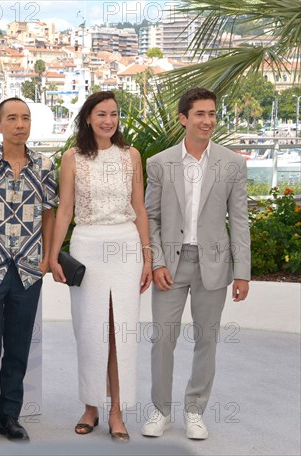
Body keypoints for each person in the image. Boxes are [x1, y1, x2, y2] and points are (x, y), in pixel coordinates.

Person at [142, 87, 251, 440]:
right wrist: (156, 262)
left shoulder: (232, 164)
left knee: (207, 340)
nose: (208, 121)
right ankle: (160, 411)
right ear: (183, 118)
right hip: (170, 266)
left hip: (215, 264)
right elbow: (151, 218)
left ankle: (194, 410)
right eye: (200, 114)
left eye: (212, 114)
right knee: (163, 339)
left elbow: (239, 219)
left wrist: (242, 272)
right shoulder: (159, 163)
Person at [49, 91, 152, 442]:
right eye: (101, 114)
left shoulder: (131, 156)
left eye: (114, 114)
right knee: (90, 331)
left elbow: (139, 208)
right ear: (88, 118)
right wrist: (52, 256)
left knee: (120, 332)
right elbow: (65, 210)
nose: (108, 120)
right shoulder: (72, 158)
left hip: (126, 248)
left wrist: (148, 257)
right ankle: (91, 406)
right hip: (87, 246)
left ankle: (117, 411)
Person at [0, 97, 58, 440]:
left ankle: (10, 415)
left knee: (18, 345)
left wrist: (48, 258)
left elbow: (49, 213)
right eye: (12, 118)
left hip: (28, 268)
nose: (20, 124)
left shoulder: (45, 165)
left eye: (25, 118)